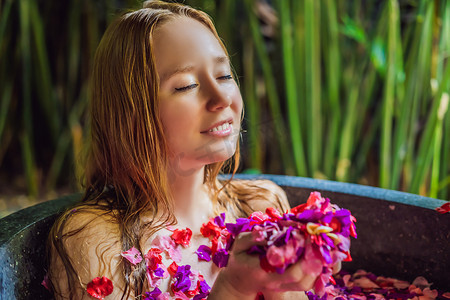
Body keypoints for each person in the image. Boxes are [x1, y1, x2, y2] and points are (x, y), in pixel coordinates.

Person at [47, 1, 334, 299]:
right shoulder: (97, 241)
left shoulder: (260, 206)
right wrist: (235, 288)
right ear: (130, 115)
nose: (221, 96)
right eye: (185, 86)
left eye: (224, 76)